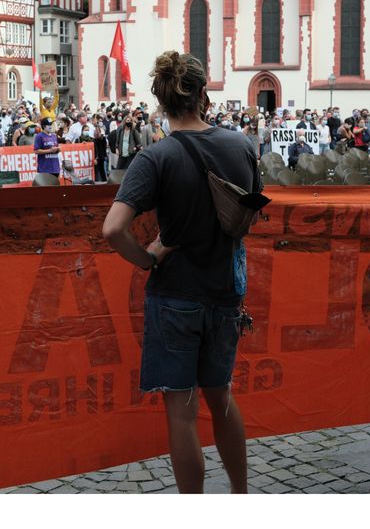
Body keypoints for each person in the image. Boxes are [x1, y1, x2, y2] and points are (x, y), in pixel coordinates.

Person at [103, 51, 258, 494]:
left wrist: (148, 257)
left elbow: (113, 229)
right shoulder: (241, 146)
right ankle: (240, 497)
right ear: (203, 93)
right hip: (226, 291)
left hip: (175, 295)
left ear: (161, 100)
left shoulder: (157, 157)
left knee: (182, 413)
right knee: (221, 397)